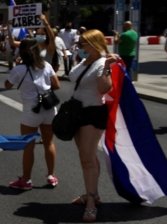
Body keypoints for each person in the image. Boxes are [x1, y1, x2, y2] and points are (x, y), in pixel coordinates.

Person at [68, 30, 117, 223]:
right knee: (87, 158)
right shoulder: (83, 61)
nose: (79, 47)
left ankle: (90, 204)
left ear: (96, 44)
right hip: (76, 112)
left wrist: (106, 66)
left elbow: (104, 89)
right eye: (79, 44)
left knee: (87, 160)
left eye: (83, 44)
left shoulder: (101, 63)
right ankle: (92, 194)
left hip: (93, 113)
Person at [4, 37, 60, 190]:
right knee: (49, 143)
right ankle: (51, 175)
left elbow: (7, 85)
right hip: (49, 108)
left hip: (31, 110)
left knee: (29, 146)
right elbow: (57, 85)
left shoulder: (19, 69)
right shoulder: (46, 65)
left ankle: (27, 180)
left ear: (22, 51)